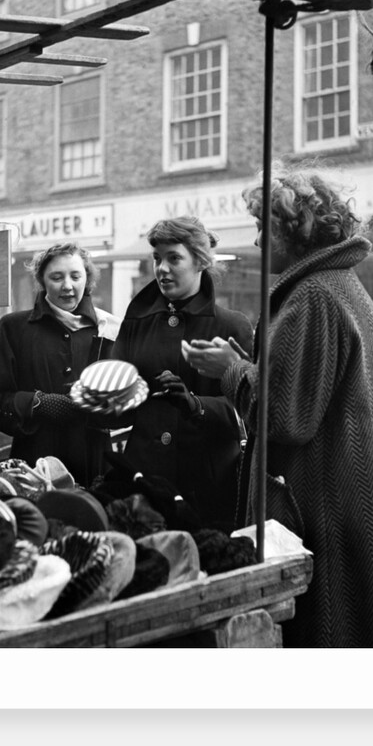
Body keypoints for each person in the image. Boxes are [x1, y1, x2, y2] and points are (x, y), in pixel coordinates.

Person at [183, 162, 373, 648]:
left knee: (335, 636)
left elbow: (287, 418)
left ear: (295, 229)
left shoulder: (312, 296)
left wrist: (231, 372)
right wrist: (251, 366)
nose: (260, 243)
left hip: (332, 505)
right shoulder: (340, 285)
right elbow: (309, 389)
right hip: (357, 495)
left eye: (265, 228)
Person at [110, 216, 253, 532]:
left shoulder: (232, 326)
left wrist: (196, 405)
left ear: (200, 261)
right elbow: (114, 408)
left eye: (174, 258)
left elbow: (249, 409)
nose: (161, 268)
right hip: (146, 486)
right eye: (157, 258)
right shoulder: (136, 322)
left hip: (207, 486)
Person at [0, 242, 121, 487]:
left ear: (87, 278)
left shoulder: (110, 330)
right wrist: (37, 404)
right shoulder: (14, 328)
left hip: (94, 469)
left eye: (75, 276)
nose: (67, 286)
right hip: (33, 470)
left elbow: (127, 408)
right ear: (42, 281)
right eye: (56, 277)